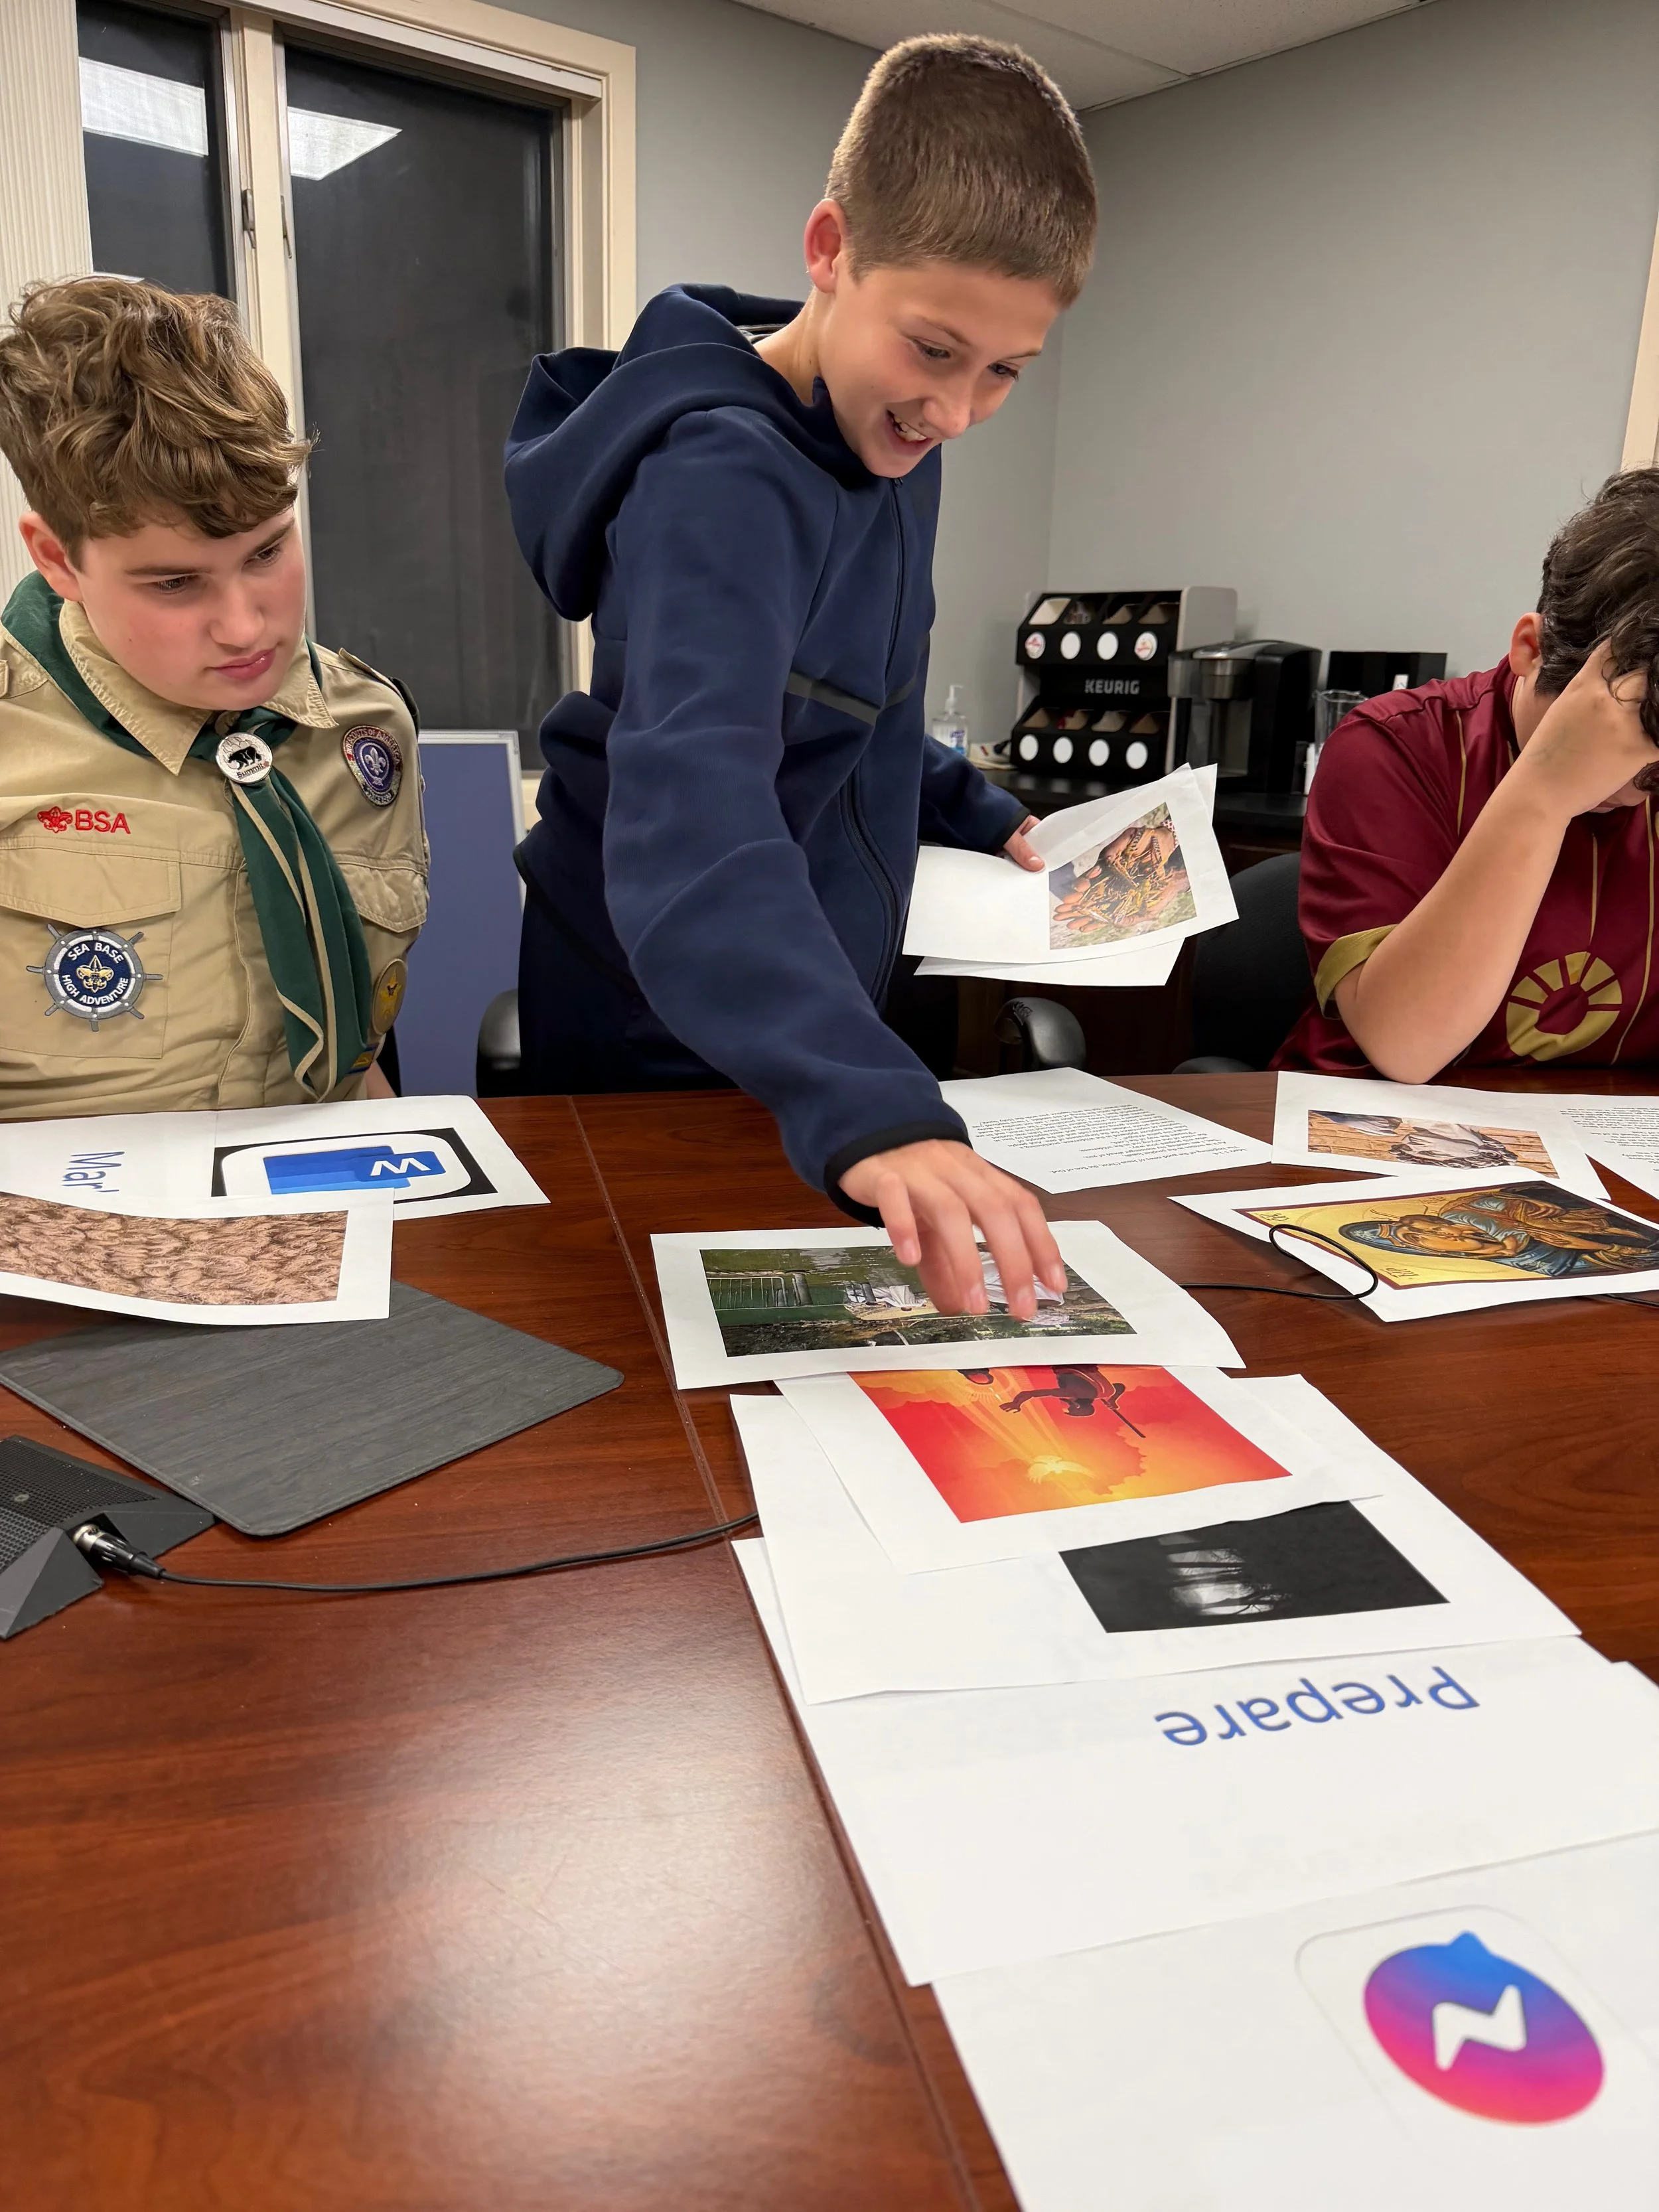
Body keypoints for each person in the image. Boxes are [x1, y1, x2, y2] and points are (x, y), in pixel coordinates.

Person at [505, 35, 1096, 1319]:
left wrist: (975, 805)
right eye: (935, 350)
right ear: (831, 250)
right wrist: (871, 1098)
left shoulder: (886, 440)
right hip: (662, 1012)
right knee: (668, 1381)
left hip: (796, 1006)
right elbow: (696, 803)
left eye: (1006, 370)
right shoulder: (721, 477)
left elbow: (844, 699)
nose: (958, 411)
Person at [0, 276, 426, 1120]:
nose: (244, 627)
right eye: (174, 582)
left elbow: (353, 1053)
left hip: (312, 1179)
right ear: (56, 560)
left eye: (267, 553)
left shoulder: (368, 731)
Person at [1279, 469, 1659, 1080]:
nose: (1628, 789)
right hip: (1373, 1114)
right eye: (1609, 736)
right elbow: (1406, 1045)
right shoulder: (1391, 746)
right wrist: (1545, 791)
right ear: (1530, 649)